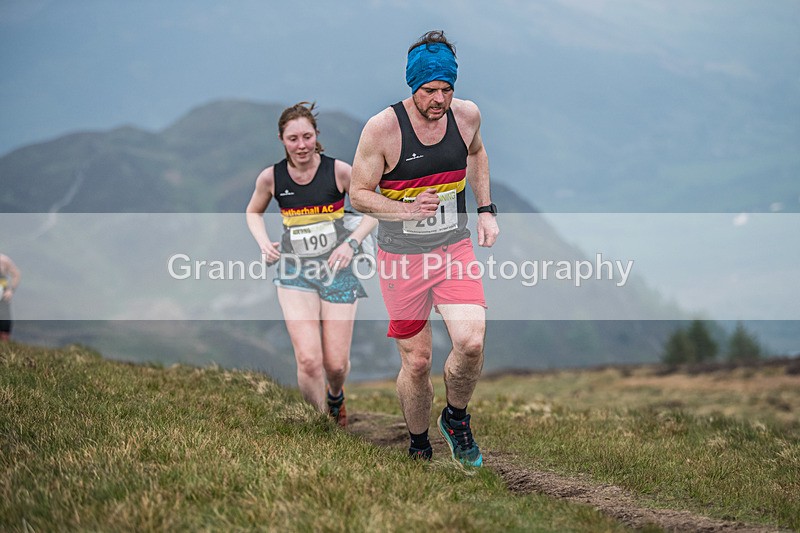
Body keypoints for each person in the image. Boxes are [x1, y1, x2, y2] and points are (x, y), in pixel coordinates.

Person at [349, 30, 499, 466]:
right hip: (401, 257)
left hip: (453, 248)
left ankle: (455, 417)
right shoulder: (382, 129)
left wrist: (486, 209)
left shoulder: (466, 116)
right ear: (412, 86)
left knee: (470, 342)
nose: (439, 99)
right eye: (430, 90)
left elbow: (477, 154)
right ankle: (418, 443)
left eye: (446, 89)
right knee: (417, 362)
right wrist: (406, 209)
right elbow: (359, 194)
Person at [246, 102, 377, 427]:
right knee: (308, 361)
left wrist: (351, 242)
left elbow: (374, 208)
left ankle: (335, 395)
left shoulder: (339, 171)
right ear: (282, 140)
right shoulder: (271, 178)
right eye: (293, 138)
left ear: (316, 136)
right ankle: (321, 424)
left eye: (306, 136)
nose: (301, 145)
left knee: (334, 365)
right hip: (294, 272)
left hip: (338, 273)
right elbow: (252, 212)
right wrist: (263, 243)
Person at [0, 252, 21, 342]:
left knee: (4, 323)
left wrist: (10, 290)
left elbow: (16, 274)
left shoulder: (3, 260)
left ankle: (4, 347)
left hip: (2, 296)